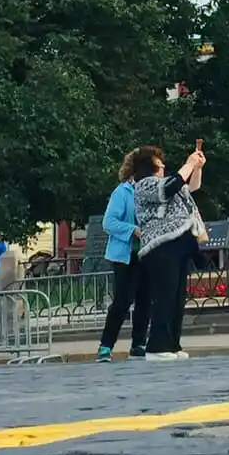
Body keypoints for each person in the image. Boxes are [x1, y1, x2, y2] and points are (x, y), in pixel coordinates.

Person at [134, 139, 206, 360]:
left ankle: (172, 343)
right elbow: (170, 187)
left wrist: (197, 167)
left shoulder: (169, 183)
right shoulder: (144, 185)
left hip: (177, 246)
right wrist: (188, 163)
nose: (163, 166)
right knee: (164, 296)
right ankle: (156, 347)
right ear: (149, 166)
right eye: (159, 163)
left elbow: (191, 187)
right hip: (160, 247)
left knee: (176, 297)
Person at [97, 151, 152, 362]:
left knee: (145, 300)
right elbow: (109, 222)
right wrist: (132, 230)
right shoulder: (122, 192)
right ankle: (106, 346)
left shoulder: (150, 190)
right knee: (122, 301)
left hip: (146, 253)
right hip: (125, 256)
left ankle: (138, 344)